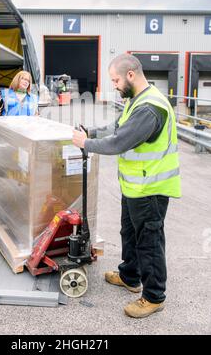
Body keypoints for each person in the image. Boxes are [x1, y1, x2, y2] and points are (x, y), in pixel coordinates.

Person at [72, 54, 181, 319]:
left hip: (150, 189)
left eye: (116, 80)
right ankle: (130, 276)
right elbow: (116, 127)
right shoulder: (137, 100)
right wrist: (92, 132)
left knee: (149, 243)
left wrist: (86, 144)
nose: (115, 85)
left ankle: (154, 297)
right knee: (129, 233)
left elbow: (119, 142)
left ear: (130, 75)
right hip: (134, 186)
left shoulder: (150, 107)